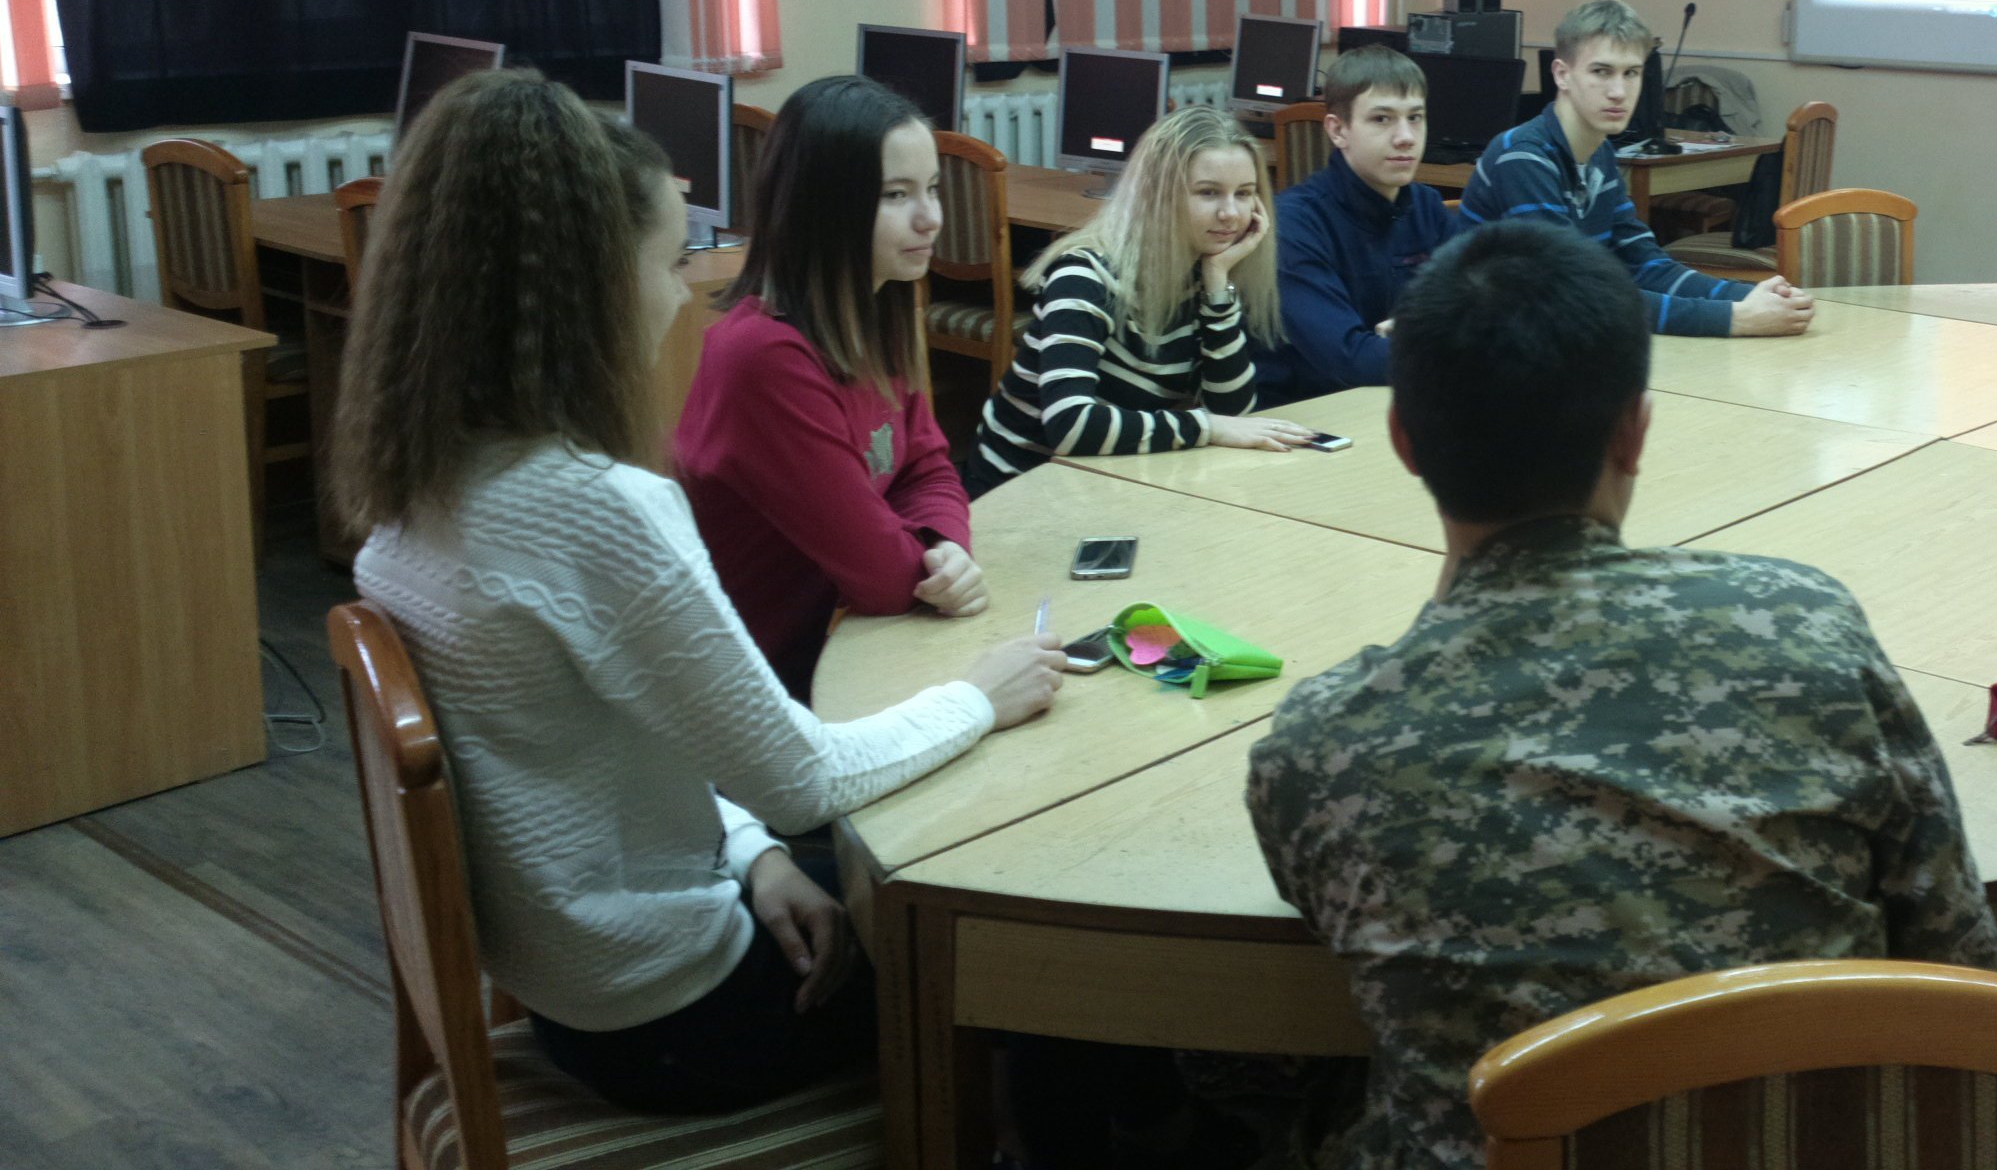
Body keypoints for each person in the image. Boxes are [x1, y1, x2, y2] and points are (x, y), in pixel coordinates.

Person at [331, 70, 1065, 1114]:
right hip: (683, 1022)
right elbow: (804, 779)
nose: (683, 295)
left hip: (592, 990)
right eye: (671, 261)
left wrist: (756, 857)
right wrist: (979, 697)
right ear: (585, 284)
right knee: (1028, 939)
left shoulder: (413, 500)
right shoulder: (600, 510)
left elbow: (627, 754)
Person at [1246, 219, 1997, 1170]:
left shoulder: (1317, 747)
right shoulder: (1804, 623)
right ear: (1635, 432)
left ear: (1402, 438)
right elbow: (1962, 969)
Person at [673, 76, 988, 698]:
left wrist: (944, 545)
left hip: (840, 647)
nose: (931, 217)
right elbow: (882, 581)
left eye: (932, 189)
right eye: (896, 195)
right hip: (757, 689)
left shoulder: (872, 309)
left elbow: (930, 467)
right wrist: (924, 566)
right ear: (824, 206)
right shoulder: (764, 357)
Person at [967, 104, 1310, 496]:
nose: (1231, 213)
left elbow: (1234, 414)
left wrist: (1218, 286)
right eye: (1208, 193)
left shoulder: (1205, 271)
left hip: (1107, 480)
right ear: (1157, 194)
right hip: (1019, 490)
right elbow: (1071, 425)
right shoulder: (1086, 274)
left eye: (1244, 194)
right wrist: (1206, 426)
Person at [1456, 0, 1814, 338]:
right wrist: (1734, 318)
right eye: (1601, 72)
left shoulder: (1599, 154)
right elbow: (1569, 295)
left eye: (1631, 73)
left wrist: (1750, 296)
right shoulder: (1523, 157)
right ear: (1562, 75)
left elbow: (1647, 266)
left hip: (1559, 342)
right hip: (1492, 350)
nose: (1618, 91)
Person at [1258, 46, 1460, 404]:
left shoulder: (1427, 207)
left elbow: (1485, 312)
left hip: (1401, 399)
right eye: (1382, 119)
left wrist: (1427, 336)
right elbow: (1352, 359)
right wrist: (1437, 341)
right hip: (1306, 415)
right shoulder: (1293, 224)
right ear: (1338, 130)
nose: (1406, 136)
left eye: (1415, 117)